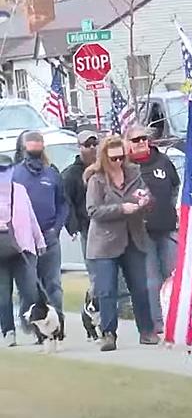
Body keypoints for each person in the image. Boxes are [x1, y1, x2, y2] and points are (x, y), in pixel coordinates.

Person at [84, 135, 158, 351]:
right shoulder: (96, 180)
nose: (118, 162)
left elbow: (147, 197)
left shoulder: (134, 173)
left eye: (121, 157)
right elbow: (93, 211)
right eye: (113, 158)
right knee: (107, 290)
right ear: (105, 158)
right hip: (105, 243)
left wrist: (146, 201)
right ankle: (108, 333)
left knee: (140, 287)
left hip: (133, 238)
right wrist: (121, 208)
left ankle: (147, 331)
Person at [124, 125, 180, 334]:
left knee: (172, 276)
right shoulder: (126, 167)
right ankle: (158, 323)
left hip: (166, 227)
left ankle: (176, 319)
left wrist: (168, 208)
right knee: (151, 279)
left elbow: (175, 185)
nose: (140, 143)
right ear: (128, 143)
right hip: (141, 231)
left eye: (143, 139)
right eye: (135, 140)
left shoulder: (162, 162)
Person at [12, 130, 68, 318]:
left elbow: (62, 203)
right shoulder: (15, 174)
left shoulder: (51, 173)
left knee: (53, 283)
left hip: (49, 236)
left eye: (38, 146)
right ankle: (33, 324)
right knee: (29, 285)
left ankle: (58, 323)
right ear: (23, 149)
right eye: (31, 147)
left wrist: (57, 228)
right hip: (25, 240)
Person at [0, 154, 44, 346]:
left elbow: (31, 216)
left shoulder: (19, 190)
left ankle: (37, 329)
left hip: (23, 247)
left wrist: (39, 240)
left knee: (29, 291)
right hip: (2, 250)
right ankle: (8, 330)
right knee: (3, 293)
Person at [62, 131, 100, 290]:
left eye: (94, 144)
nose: (91, 148)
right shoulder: (70, 174)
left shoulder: (105, 167)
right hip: (88, 228)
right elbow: (66, 202)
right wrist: (73, 226)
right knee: (95, 272)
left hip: (110, 226)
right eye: (87, 145)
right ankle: (93, 307)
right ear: (79, 147)